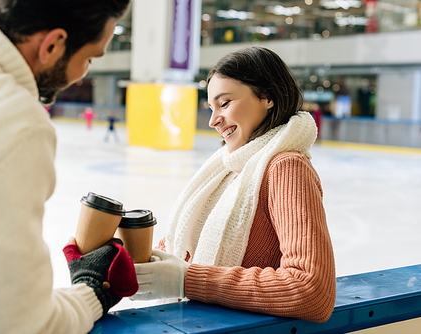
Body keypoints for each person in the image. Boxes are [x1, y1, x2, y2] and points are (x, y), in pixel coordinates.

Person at [0, 1, 137, 333]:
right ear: (52, 44)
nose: (83, 72)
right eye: (90, 58)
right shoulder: (11, 120)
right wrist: (93, 289)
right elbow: (16, 325)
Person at [131, 47, 336, 323]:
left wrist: (186, 279)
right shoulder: (227, 168)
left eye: (224, 103)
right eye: (211, 108)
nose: (213, 120)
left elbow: (311, 290)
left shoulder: (286, 168)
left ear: (268, 96)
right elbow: (181, 250)